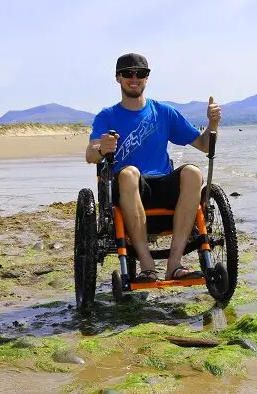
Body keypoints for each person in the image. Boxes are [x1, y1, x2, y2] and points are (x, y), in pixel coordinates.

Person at [85, 53, 222, 283]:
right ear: (118, 78)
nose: (134, 78)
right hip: (128, 190)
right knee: (129, 173)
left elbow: (203, 144)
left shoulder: (164, 112)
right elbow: (90, 155)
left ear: (147, 78)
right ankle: (147, 267)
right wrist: (102, 149)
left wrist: (213, 124)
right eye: (128, 73)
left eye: (140, 73)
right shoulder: (107, 116)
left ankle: (175, 265)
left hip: (161, 186)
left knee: (193, 173)